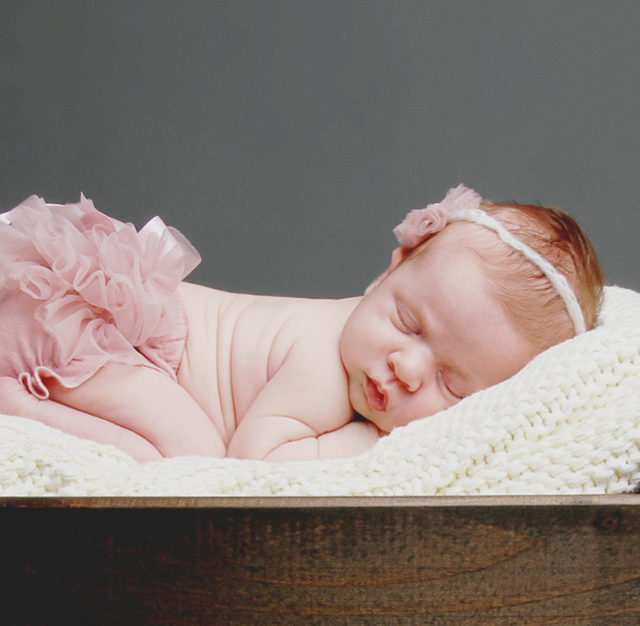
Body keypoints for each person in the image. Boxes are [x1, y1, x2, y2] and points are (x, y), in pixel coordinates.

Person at [0, 185, 604, 463]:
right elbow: (257, 462)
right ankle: (17, 407)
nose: (407, 367)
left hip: (98, 343)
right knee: (192, 455)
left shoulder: (368, 357)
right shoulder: (323, 358)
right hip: (77, 328)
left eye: (453, 384)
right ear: (389, 270)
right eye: (407, 322)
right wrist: (374, 443)